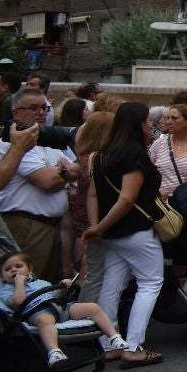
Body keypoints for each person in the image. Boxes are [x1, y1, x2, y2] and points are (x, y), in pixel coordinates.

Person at [83, 101, 165, 369]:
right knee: (150, 282)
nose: (150, 126)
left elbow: (93, 193)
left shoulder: (103, 153)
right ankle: (133, 345)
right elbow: (128, 198)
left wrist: (98, 226)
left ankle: (110, 343)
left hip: (112, 233)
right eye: (147, 122)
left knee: (112, 285)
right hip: (133, 229)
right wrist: (101, 227)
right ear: (139, 123)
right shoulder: (133, 153)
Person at [0, 88, 83, 282]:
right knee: (25, 286)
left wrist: (63, 173)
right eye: (33, 108)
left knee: (44, 287)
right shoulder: (12, 144)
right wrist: (65, 172)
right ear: (16, 112)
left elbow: (77, 171)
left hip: (52, 227)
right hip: (27, 226)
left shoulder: (46, 143)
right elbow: (47, 180)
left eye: (44, 108)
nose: (41, 113)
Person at [0, 250, 128, 366]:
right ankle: (54, 351)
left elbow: (56, 295)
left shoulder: (41, 282)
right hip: (38, 312)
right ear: (2, 276)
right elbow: (18, 301)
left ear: (30, 269)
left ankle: (113, 337)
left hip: (60, 307)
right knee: (44, 321)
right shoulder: (6, 291)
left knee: (92, 307)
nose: (14, 270)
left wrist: (63, 288)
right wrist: (19, 283)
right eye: (8, 269)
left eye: (18, 266)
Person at [67, 112, 115, 304]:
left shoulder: (82, 158)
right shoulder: (102, 159)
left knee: (90, 269)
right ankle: (85, 313)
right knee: (94, 272)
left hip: (84, 220)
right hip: (102, 221)